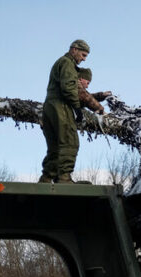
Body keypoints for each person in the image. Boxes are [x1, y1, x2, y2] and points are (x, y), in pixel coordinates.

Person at [39, 39, 90, 184]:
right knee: (69, 142)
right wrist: (77, 107)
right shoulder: (67, 63)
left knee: (55, 146)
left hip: (49, 106)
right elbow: (68, 88)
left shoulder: (60, 62)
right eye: (83, 54)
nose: (84, 59)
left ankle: (47, 178)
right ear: (74, 49)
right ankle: (64, 178)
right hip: (60, 106)